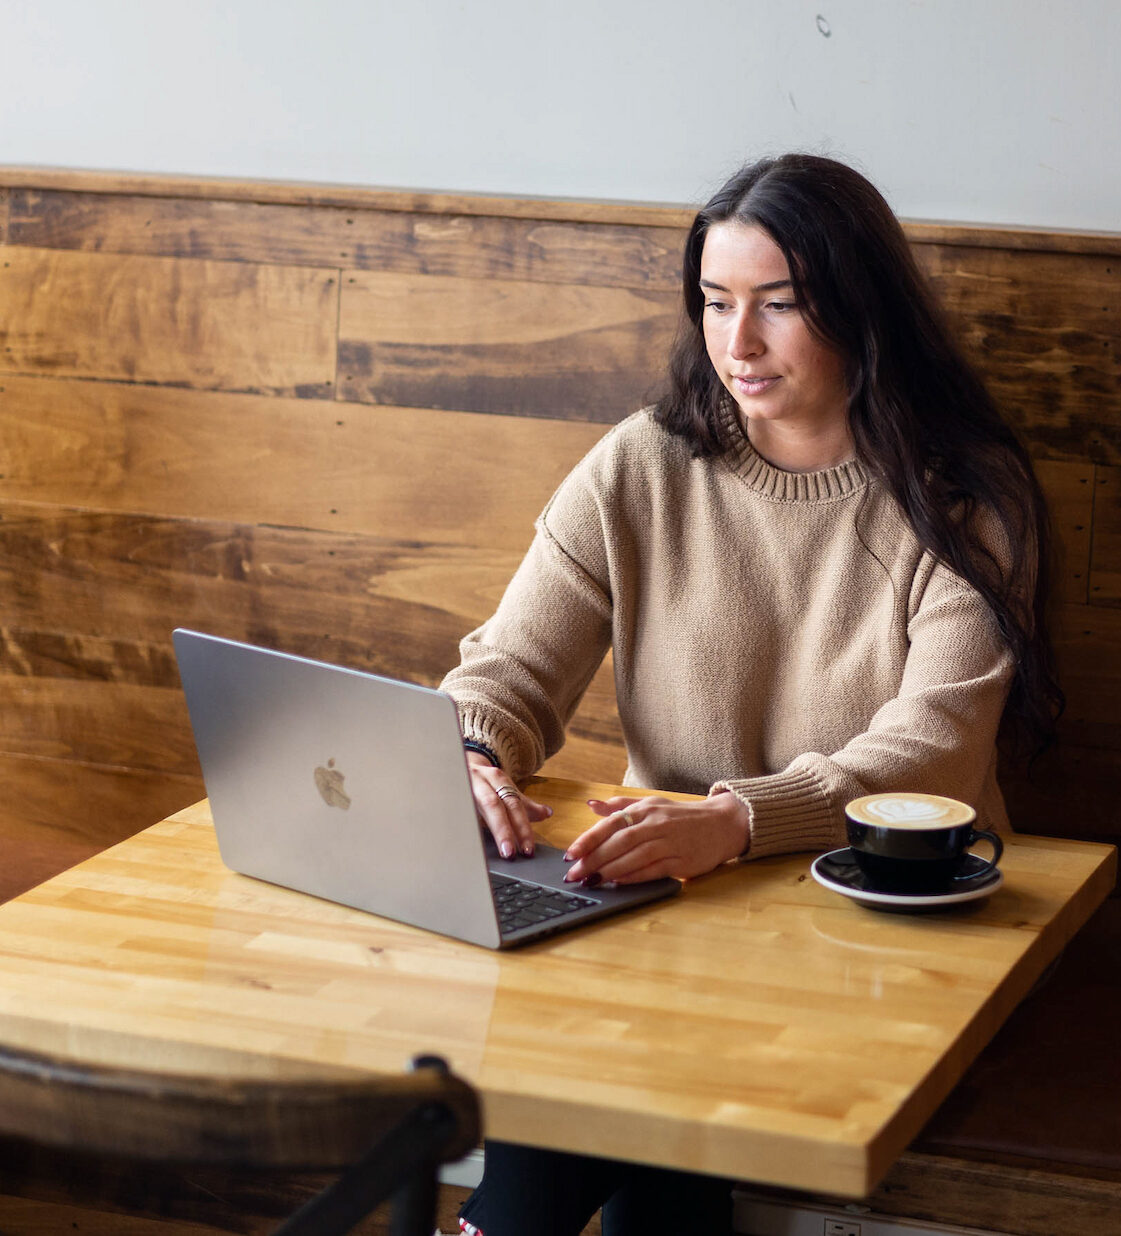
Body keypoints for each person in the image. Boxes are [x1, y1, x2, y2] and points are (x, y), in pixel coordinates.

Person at [442, 153, 1061, 1236]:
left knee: (611, 1102)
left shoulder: (962, 493)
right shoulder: (642, 463)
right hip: (670, 918)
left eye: (779, 305)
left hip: (882, 924)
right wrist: (469, 751)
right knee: (619, 1087)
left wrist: (733, 821)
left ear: (860, 309)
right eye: (716, 303)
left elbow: (933, 751)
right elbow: (508, 666)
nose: (739, 342)